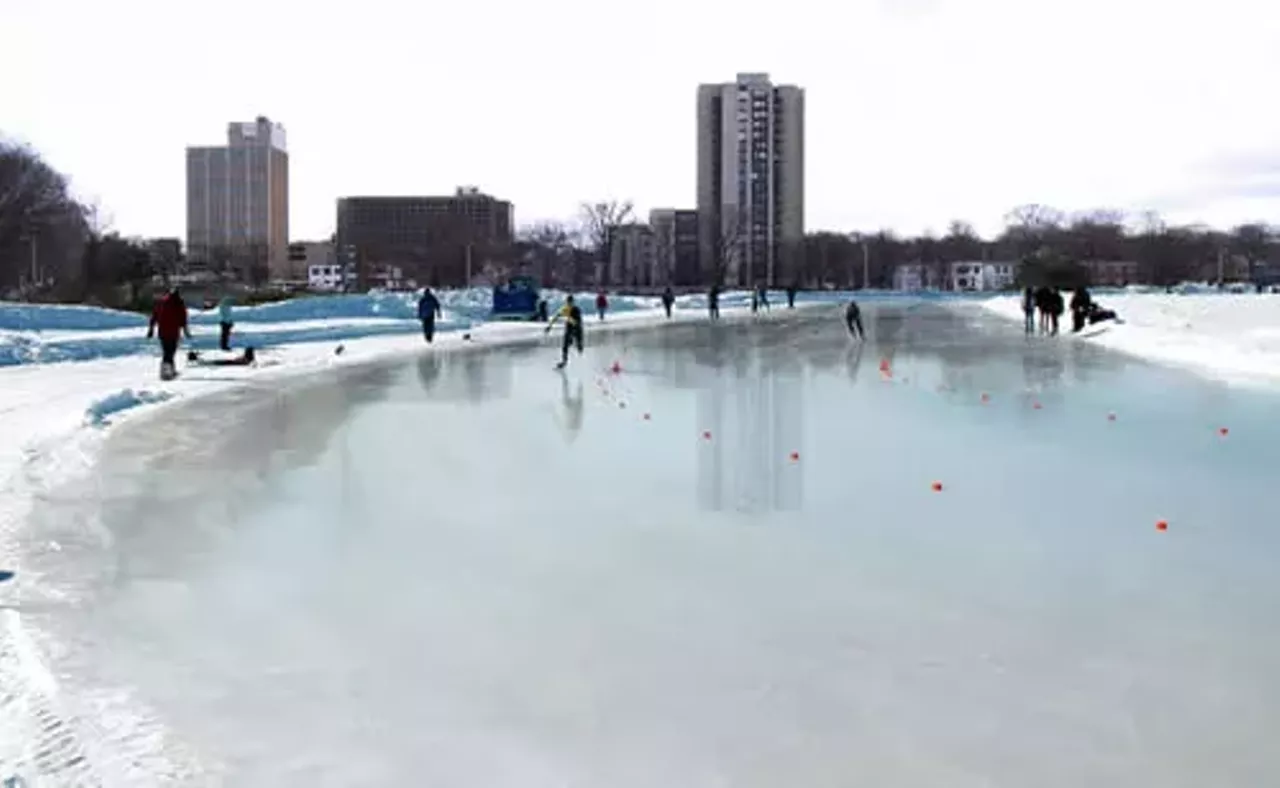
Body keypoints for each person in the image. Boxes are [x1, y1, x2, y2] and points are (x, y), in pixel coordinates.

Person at [147, 287, 192, 380]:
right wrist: (186, 331)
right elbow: (183, 318)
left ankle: (167, 370)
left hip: (162, 332)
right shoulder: (179, 303)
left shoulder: (161, 302)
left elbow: (154, 316)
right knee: (171, 351)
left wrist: (151, 329)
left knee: (166, 351)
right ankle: (168, 372)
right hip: (173, 332)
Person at [545, 295, 584, 368]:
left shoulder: (576, 309)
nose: (570, 303)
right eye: (569, 302)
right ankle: (564, 361)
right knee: (565, 345)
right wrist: (550, 326)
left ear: (573, 302)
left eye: (571, 302)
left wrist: (579, 338)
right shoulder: (565, 309)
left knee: (578, 345)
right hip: (569, 327)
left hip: (577, 328)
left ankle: (578, 345)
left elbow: (579, 322)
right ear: (567, 302)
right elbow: (556, 317)